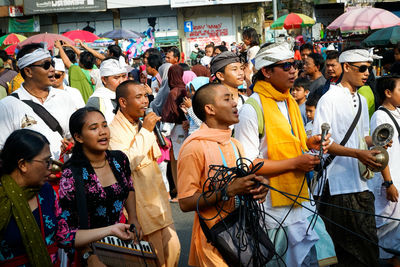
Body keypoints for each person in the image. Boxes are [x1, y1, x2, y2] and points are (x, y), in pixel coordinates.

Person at [235, 42, 337, 266]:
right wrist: (295, 163)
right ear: (266, 71)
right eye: (286, 66)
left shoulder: (289, 101)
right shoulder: (252, 109)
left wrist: (309, 142)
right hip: (273, 210)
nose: (294, 70)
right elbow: (249, 164)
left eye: (295, 64)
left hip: (301, 201)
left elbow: (292, 142)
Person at [0, 129, 136, 266]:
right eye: (46, 162)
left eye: (50, 161)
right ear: (22, 164)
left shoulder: (46, 192)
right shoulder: (2, 198)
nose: (51, 168)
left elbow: (65, 236)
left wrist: (111, 230)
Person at [177, 83, 269, 266]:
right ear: (210, 109)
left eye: (233, 98)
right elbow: (185, 202)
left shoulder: (235, 144)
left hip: (242, 234)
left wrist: (256, 186)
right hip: (214, 239)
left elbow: (240, 184)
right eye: (227, 99)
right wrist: (227, 190)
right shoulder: (194, 147)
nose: (234, 103)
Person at [312, 46, 382, 266]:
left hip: (362, 185)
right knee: (347, 252)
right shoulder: (329, 98)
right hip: (337, 187)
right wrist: (358, 153)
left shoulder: (361, 99)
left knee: (369, 249)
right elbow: (322, 142)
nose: (366, 73)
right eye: (362, 68)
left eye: (369, 69)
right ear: (346, 67)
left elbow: (363, 137)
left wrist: (378, 142)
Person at [109, 80, 181, 267]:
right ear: (123, 102)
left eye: (145, 96)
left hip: (157, 200)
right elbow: (125, 164)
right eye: (138, 97)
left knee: (173, 249)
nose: (145, 102)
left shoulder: (139, 123)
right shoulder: (113, 130)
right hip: (139, 204)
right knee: (153, 256)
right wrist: (147, 132)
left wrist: (150, 132)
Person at [58, 107, 141, 265]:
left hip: (120, 247)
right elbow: (66, 232)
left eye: (104, 125)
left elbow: (129, 187)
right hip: (89, 254)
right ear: (78, 137)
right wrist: (87, 255)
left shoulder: (119, 159)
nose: (103, 132)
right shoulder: (71, 174)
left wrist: (133, 218)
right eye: (94, 128)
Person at [0, 43, 76, 159]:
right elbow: (3, 150)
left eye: (52, 64)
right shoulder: (7, 106)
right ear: (28, 71)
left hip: (64, 173)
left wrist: (71, 144)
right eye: (46, 65)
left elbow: (73, 135)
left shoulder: (64, 97)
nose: (52, 69)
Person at [368, 75, 400, 266]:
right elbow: (379, 152)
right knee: (386, 232)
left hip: (397, 180)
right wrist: (388, 183)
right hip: (389, 183)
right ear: (388, 93)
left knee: (395, 234)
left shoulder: (397, 112)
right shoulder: (380, 116)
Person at [162, 64, 188, 193]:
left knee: (176, 161)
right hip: (187, 128)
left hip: (176, 130)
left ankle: (179, 189)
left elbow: (169, 114)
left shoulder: (173, 92)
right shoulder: (186, 89)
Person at [86, 58, 127, 123]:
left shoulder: (128, 94)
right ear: (104, 80)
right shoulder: (96, 100)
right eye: (116, 78)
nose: (121, 81)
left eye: (124, 76)